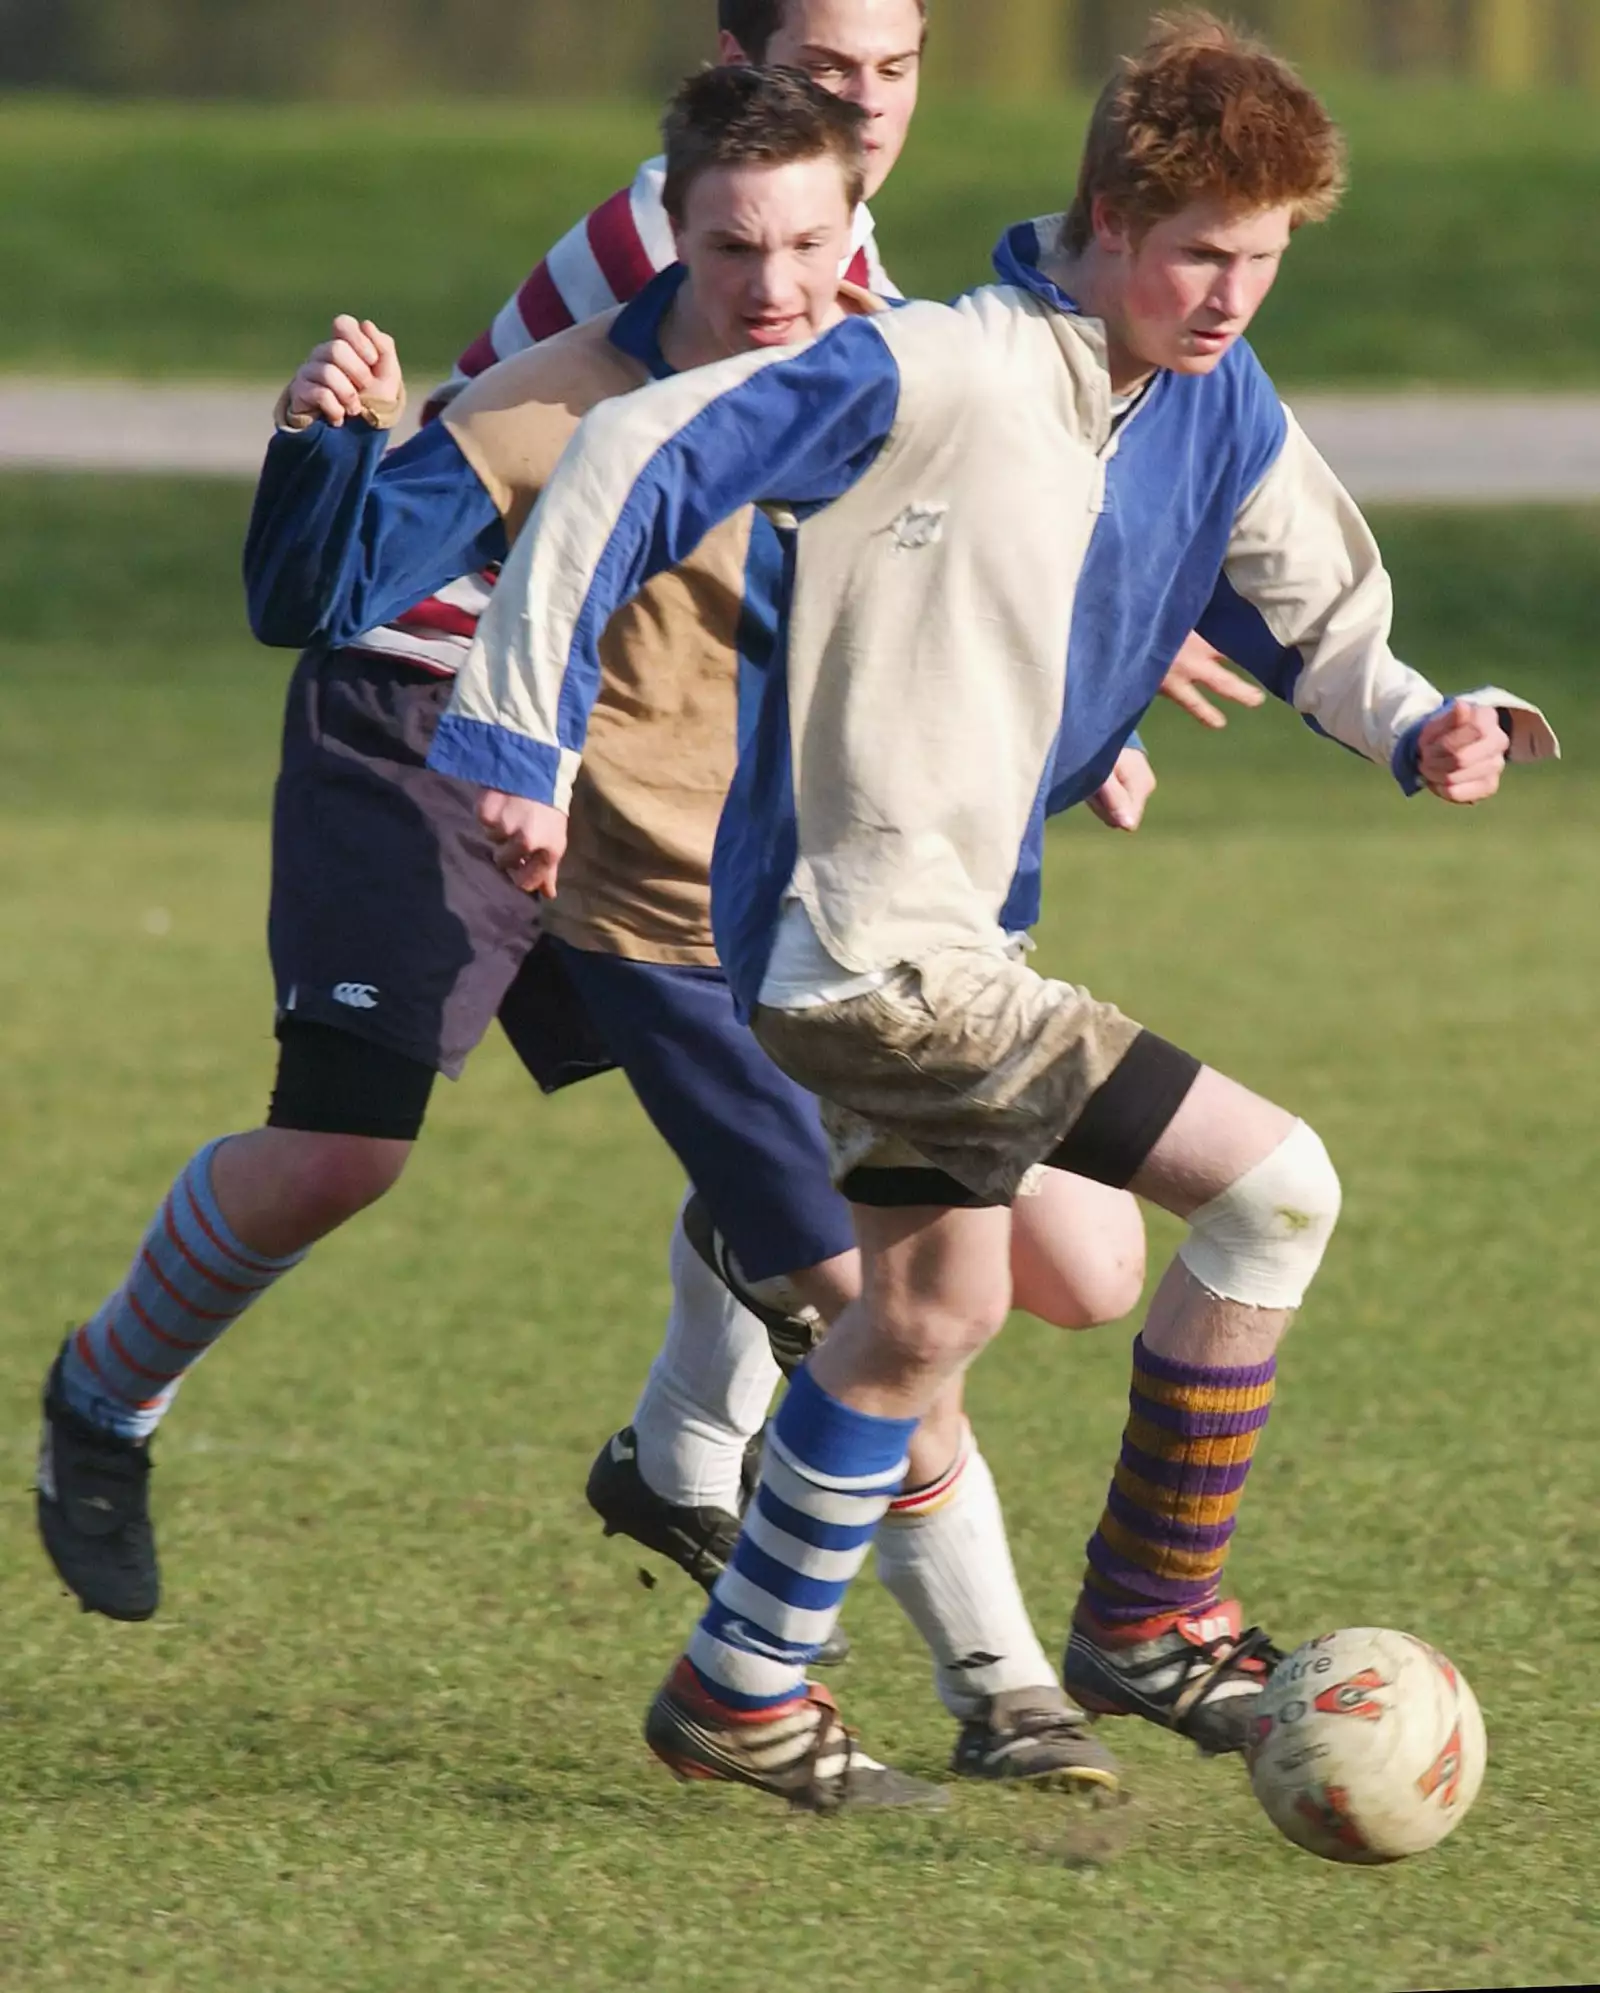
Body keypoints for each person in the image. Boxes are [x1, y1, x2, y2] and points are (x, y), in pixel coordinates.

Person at [427, 11, 1558, 1812]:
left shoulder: (1211, 400)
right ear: (1107, 216)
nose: (1231, 295)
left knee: (925, 1317)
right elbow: (640, 445)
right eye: (1199, 252)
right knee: (1279, 1188)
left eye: (1263, 259)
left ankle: (740, 1687)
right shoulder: (940, 365)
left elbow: (1319, 604)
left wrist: (1423, 719)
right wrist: (512, 720)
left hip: (943, 950)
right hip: (877, 956)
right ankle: (1152, 1614)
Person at [37, 65, 1147, 1793]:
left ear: (857, 213)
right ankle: (991, 1696)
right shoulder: (572, 388)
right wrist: (332, 445)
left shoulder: (905, 361)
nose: (773, 284)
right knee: (362, 1158)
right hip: (485, 783)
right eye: (732, 247)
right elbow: (315, 595)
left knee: (1081, 1266)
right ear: (673, 215)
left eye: (810, 238)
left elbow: (996, 570)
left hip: (764, 873)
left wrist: (1110, 696)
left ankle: (732, 1351)